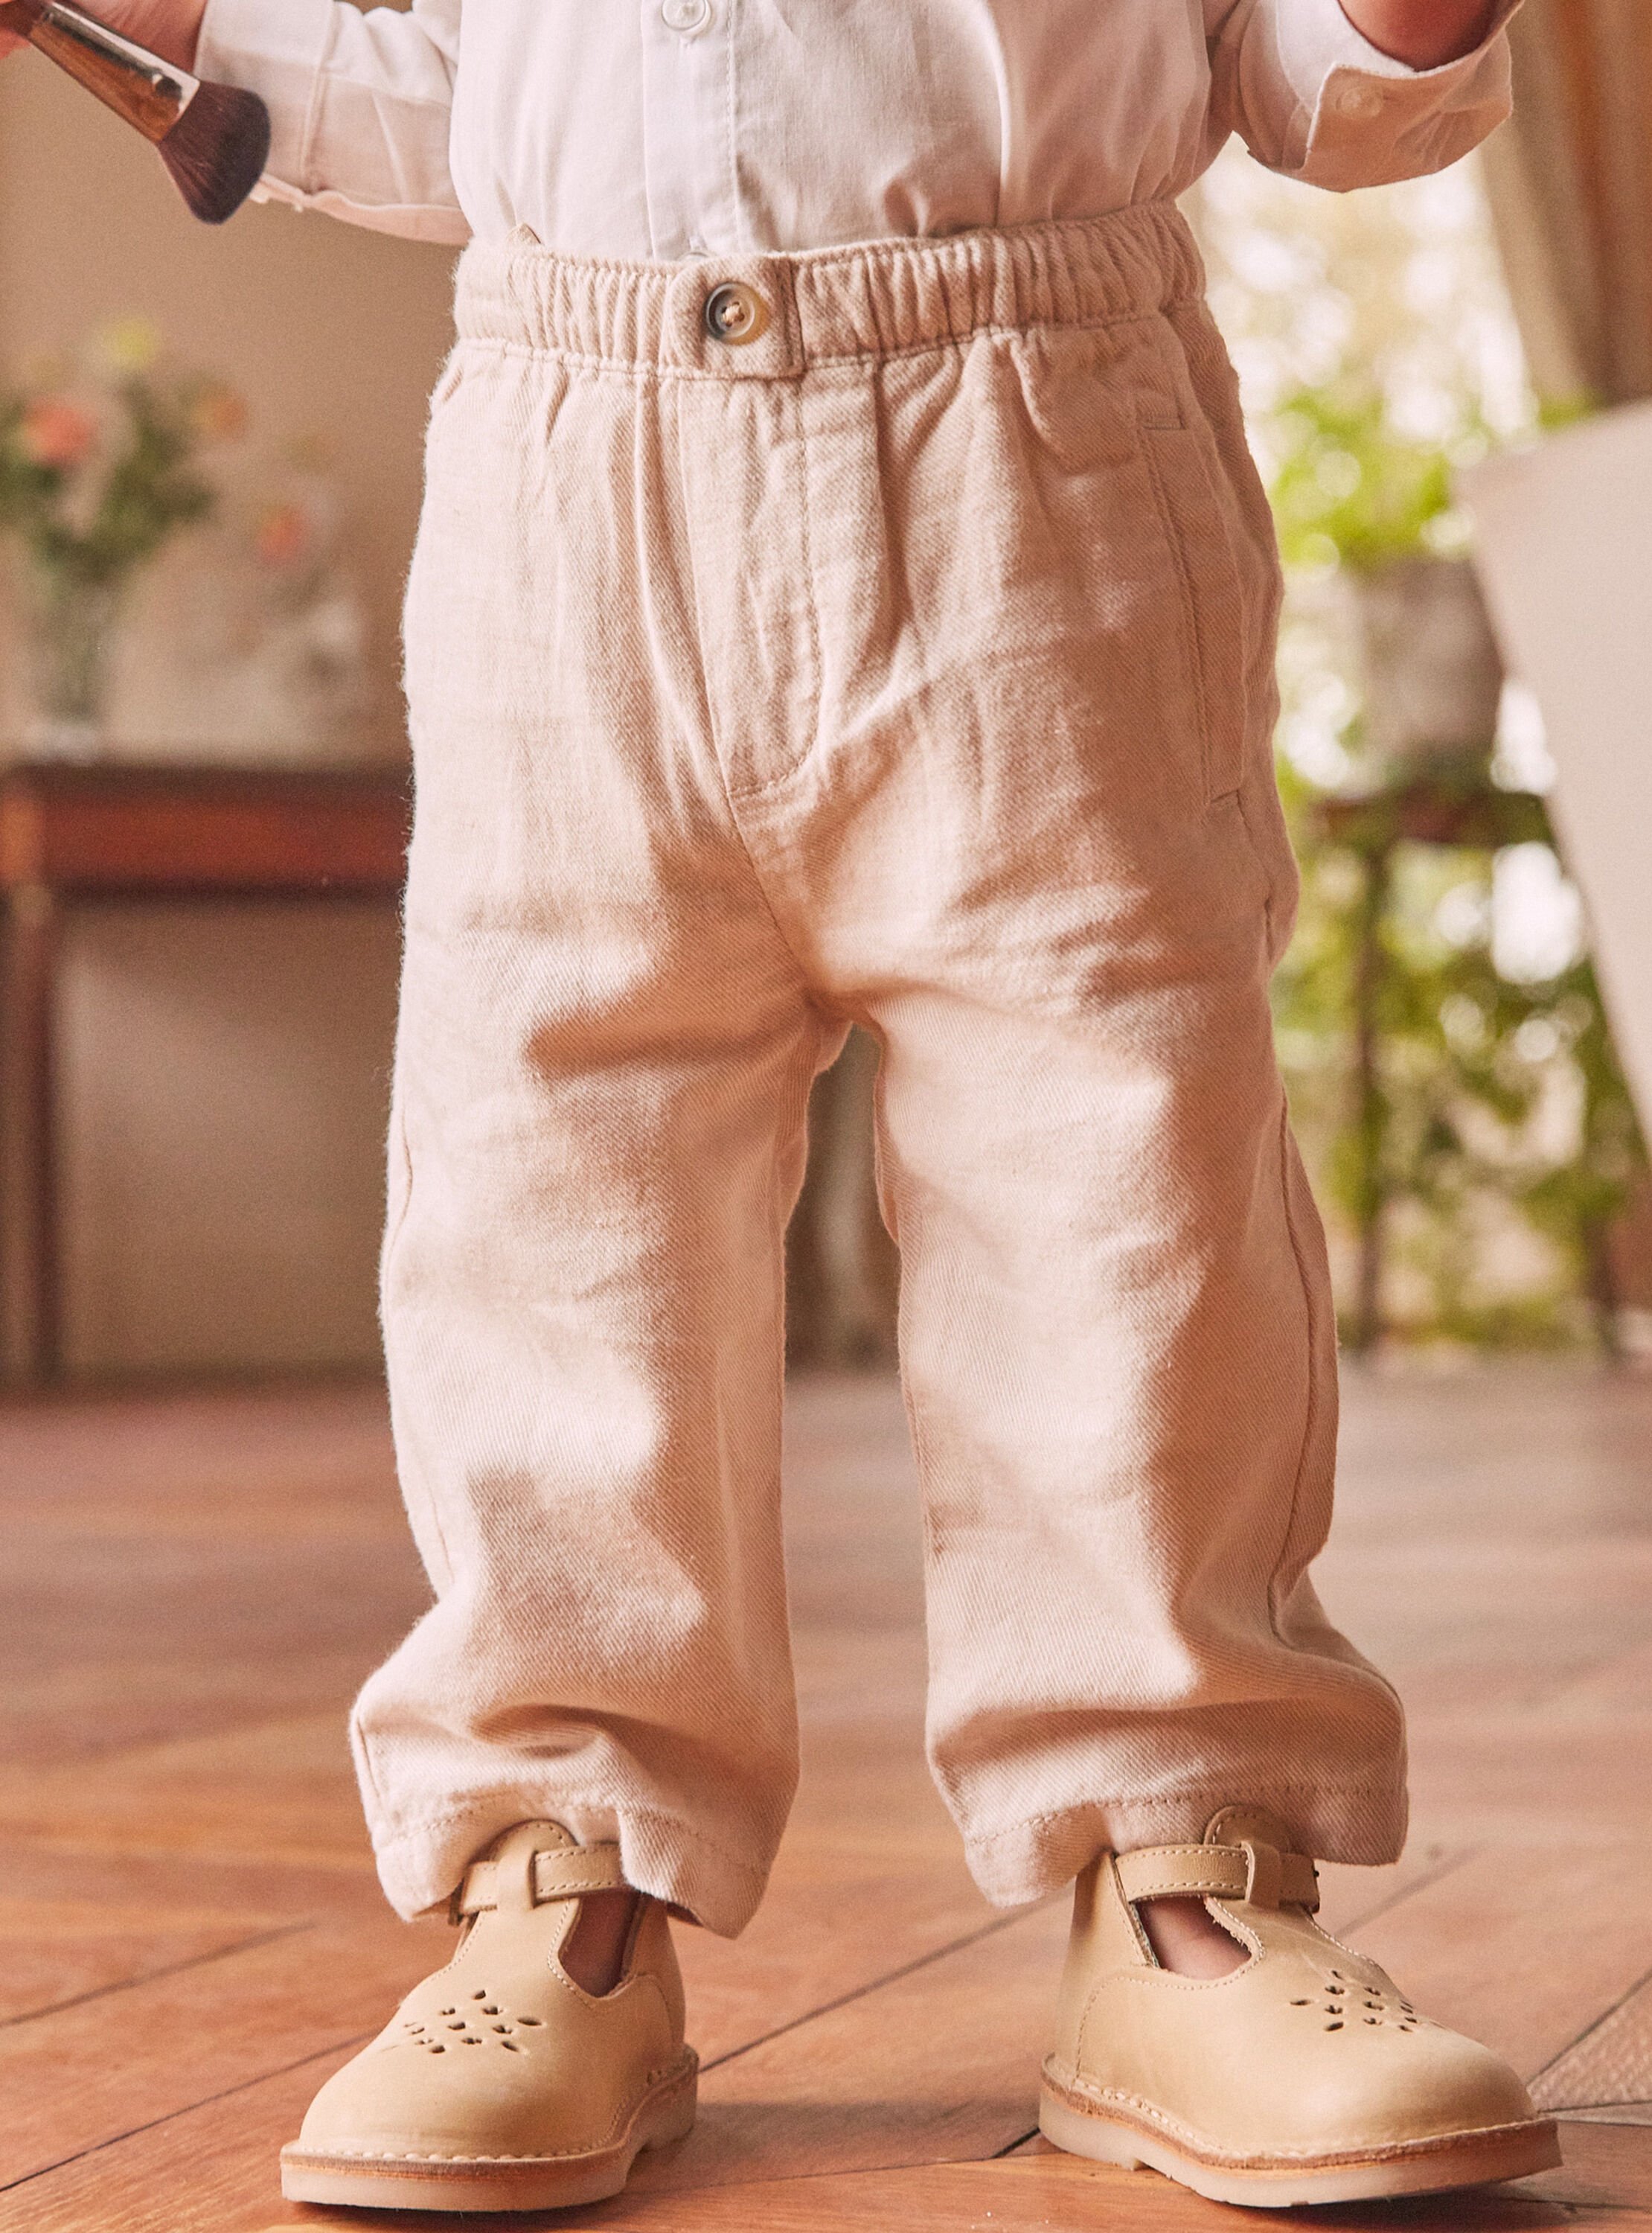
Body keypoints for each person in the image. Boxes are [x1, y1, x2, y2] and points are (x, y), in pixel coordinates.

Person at [4, 0, 1560, 2211]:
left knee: (1117, 1178)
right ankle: (561, 1873)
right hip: (569, 454)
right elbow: (433, 86)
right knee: (553, 1195)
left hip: (1037, 426)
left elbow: (1303, 64)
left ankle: (1182, 1867)